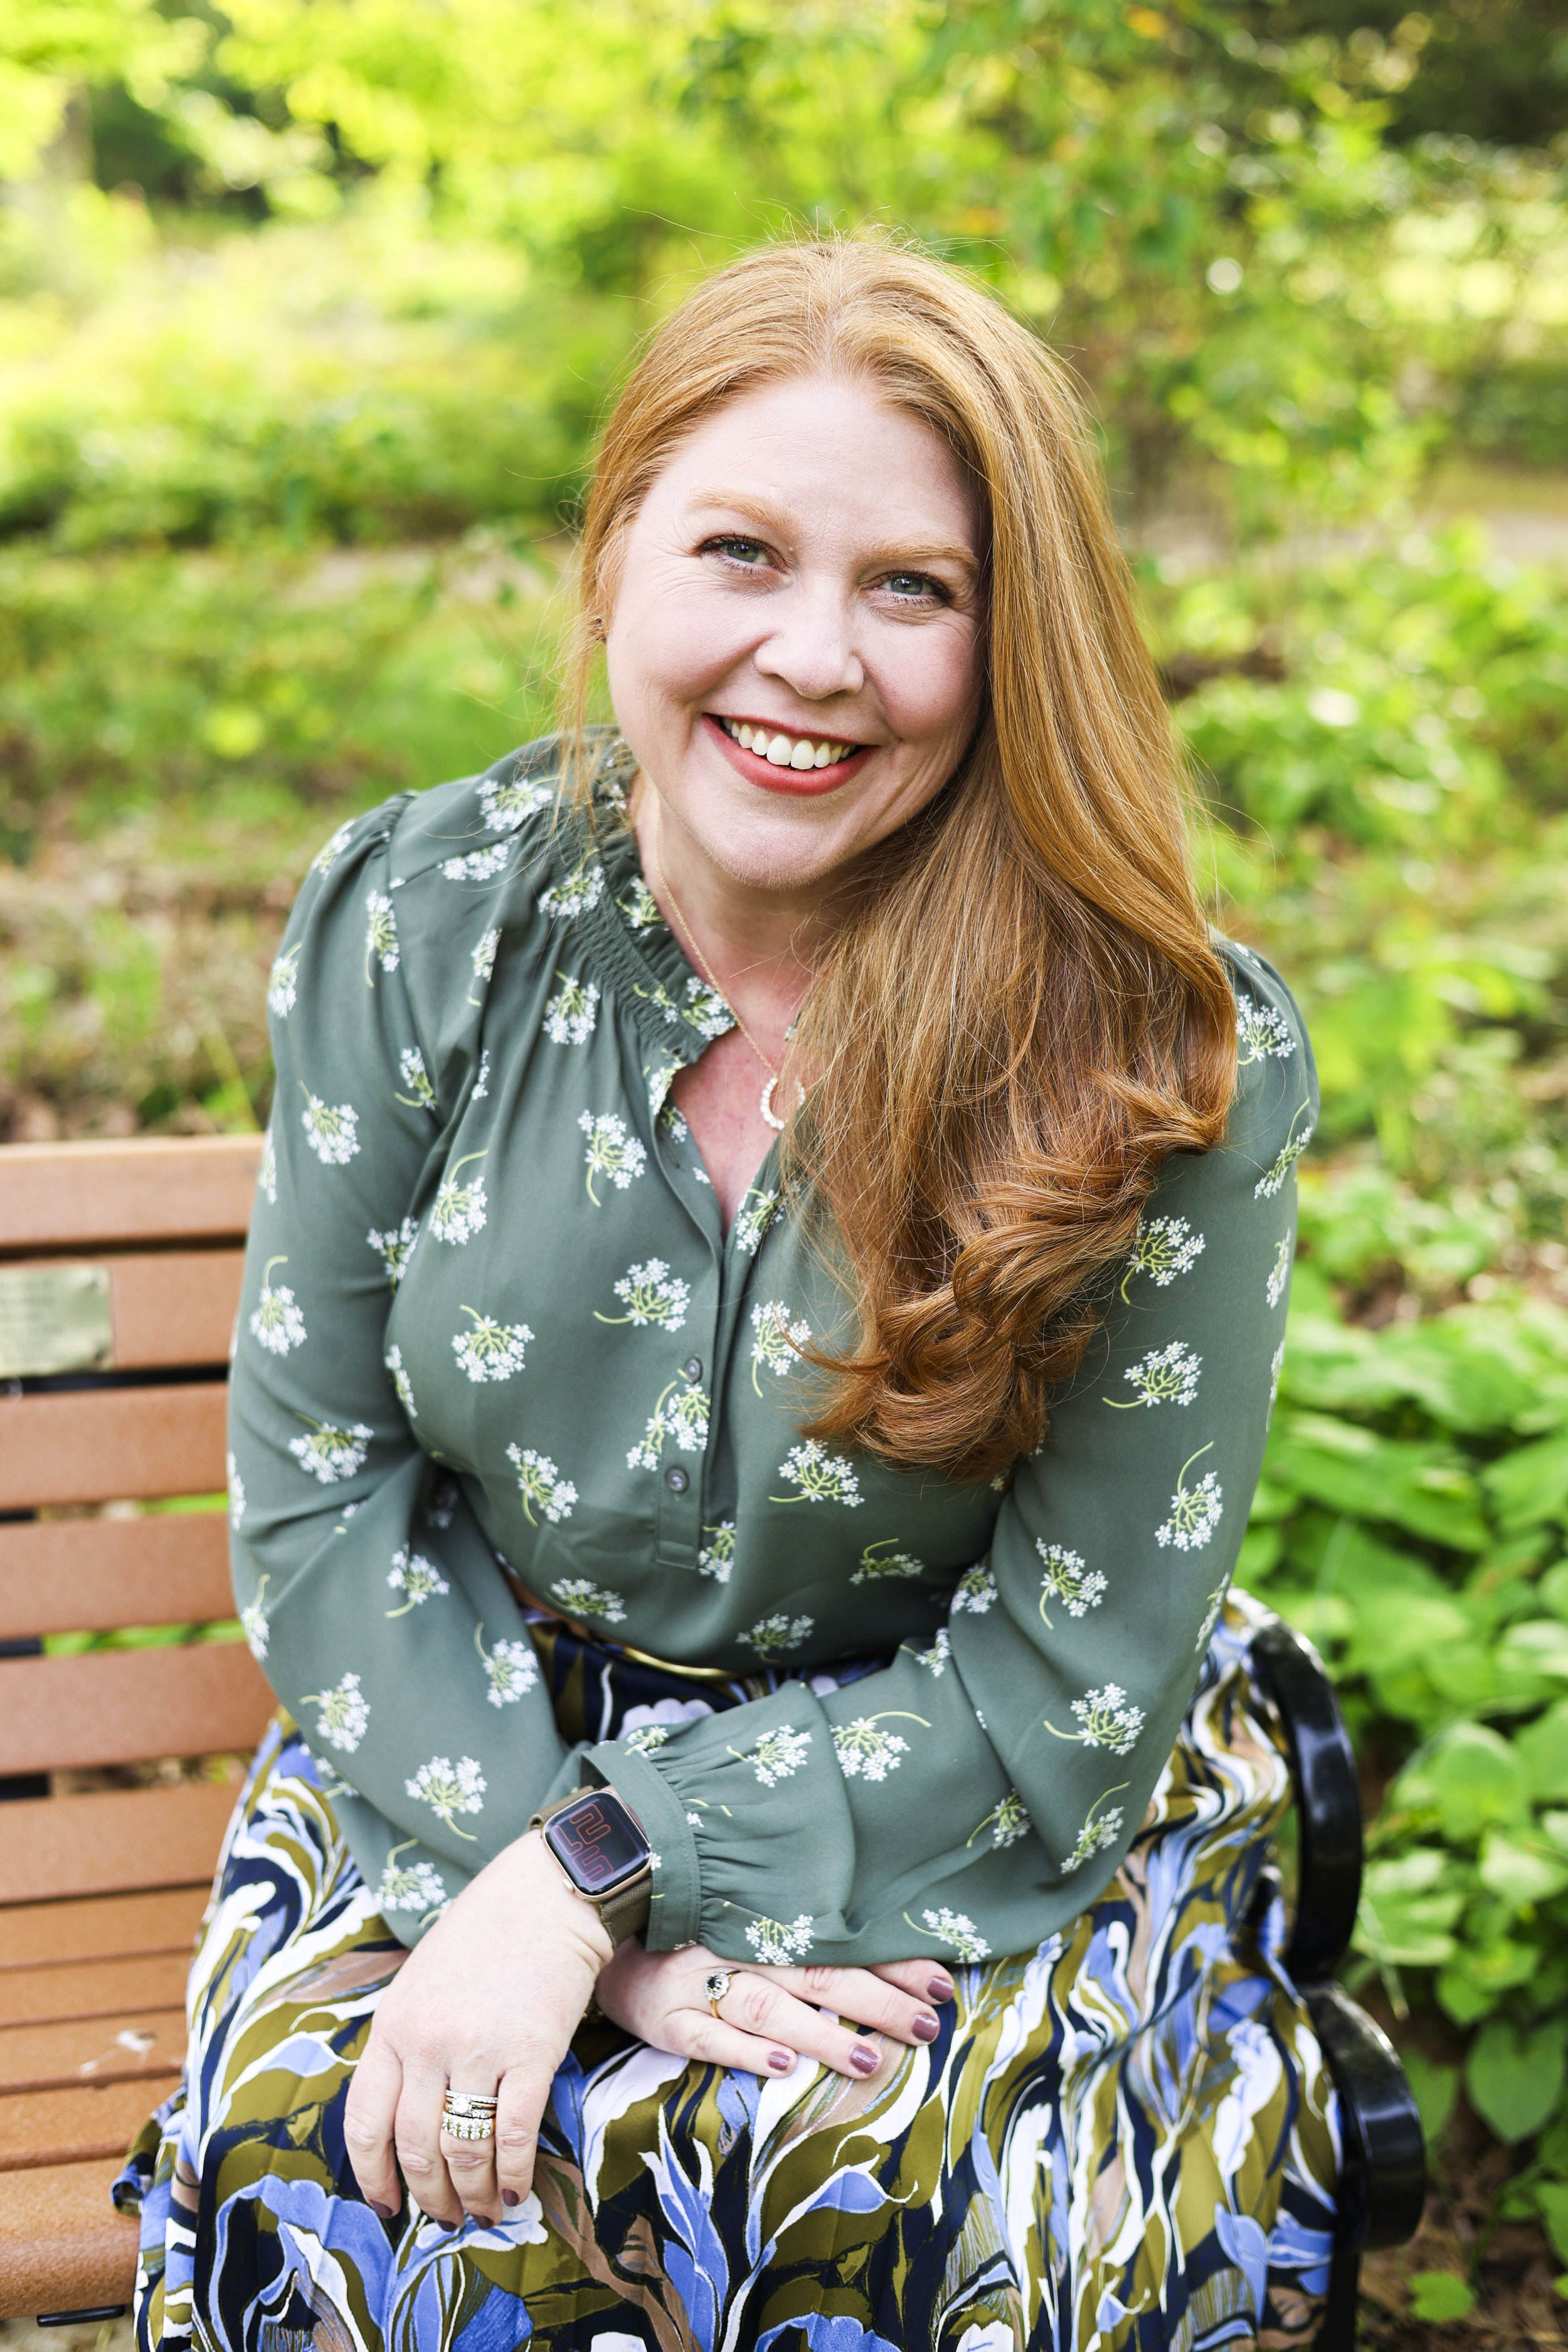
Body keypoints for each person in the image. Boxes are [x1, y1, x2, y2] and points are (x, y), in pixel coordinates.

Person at [118, 235, 1335, 2352]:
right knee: (350, 2180)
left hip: (959, 1777)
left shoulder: (1159, 1054)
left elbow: (1076, 1670)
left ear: (1009, 633)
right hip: (455, 1729)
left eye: (911, 589)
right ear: (613, 564)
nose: (812, 659)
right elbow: (324, 1485)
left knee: (880, 2217)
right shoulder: (428, 917)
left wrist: (599, 1877)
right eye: (740, 553)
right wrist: (554, 1903)